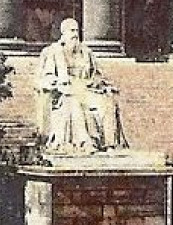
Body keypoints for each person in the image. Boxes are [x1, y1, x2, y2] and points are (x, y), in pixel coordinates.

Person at [38, 18, 129, 153]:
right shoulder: (53, 52)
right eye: (71, 31)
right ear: (63, 33)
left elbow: (97, 74)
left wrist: (99, 84)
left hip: (87, 90)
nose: (75, 34)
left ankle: (110, 144)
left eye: (77, 31)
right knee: (73, 102)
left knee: (107, 103)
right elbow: (47, 76)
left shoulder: (87, 52)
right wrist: (57, 84)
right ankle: (85, 142)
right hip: (66, 91)